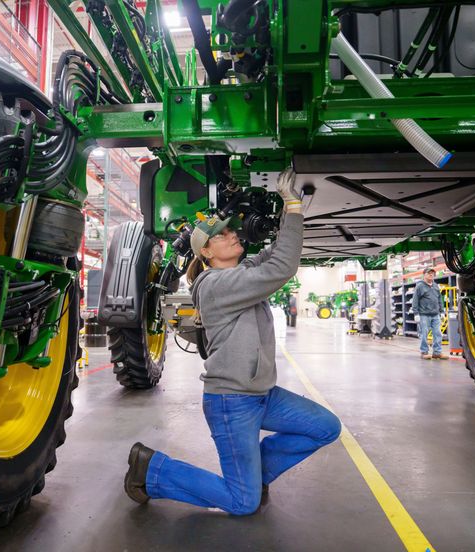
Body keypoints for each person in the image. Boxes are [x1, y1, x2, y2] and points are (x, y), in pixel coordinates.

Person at [122, 168, 341, 515]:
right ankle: (153, 470)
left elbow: (270, 255)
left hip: (262, 396)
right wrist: (294, 207)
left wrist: (287, 213)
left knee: (325, 427)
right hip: (232, 402)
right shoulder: (215, 285)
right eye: (221, 235)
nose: (231, 234)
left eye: (229, 230)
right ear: (206, 252)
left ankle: (257, 474)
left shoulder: (238, 274)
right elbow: (282, 267)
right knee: (243, 503)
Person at [411, 267, 446, 360]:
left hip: (435, 315)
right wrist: (416, 313)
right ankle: (424, 352)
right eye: (429, 273)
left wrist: (442, 311)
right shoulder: (420, 286)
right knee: (424, 334)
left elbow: (439, 299)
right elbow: (415, 300)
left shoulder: (435, 286)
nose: (431, 275)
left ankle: (437, 352)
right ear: (424, 275)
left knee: (438, 333)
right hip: (423, 315)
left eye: (432, 273)